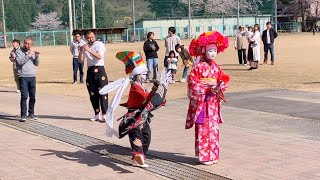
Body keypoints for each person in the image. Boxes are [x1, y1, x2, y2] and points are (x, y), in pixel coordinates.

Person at [99, 51, 167, 168]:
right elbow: (145, 99)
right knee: (136, 135)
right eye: (144, 74)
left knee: (146, 135)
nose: (146, 76)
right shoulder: (135, 86)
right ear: (137, 75)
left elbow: (146, 100)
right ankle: (138, 155)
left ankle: (139, 156)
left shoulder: (140, 85)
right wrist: (155, 91)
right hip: (134, 117)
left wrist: (154, 90)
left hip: (142, 117)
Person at [186, 31, 230, 165]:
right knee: (204, 128)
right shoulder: (198, 67)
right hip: (203, 102)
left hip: (213, 103)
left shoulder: (216, 67)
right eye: (210, 50)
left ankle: (213, 154)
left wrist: (221, 85)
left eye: (215, 50)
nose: (213, 53)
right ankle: (204, 156)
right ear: (204, 50)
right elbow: (193, 83)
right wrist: (206, 89)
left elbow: (223, 79)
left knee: (214, 128)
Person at [78, 30, 108, 122]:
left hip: (100, 70)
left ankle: (104, 114)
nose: (90, 39)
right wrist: (80, 51)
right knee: (92, 93)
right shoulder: (85, 46)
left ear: (94, 36)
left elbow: (99, 56)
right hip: (90, 70)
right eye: (88, 38)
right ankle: (96, 114)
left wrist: (88, 50)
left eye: (92, 37)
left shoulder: (99, 44)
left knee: (103, 92)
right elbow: (80, 61)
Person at [15, 37, 40, 122]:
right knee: (24, 96)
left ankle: (31, 113)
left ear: (31, 45)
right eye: (25, 43)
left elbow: (36, 64)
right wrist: (28, 55)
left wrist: (36, 56)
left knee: (32, 97)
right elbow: (20, 62)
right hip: (23, 76)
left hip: (32, 76)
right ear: (23, 43)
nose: (27, 45)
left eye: (29, 44)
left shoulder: (32, 52)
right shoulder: (19, 51)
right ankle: (23, 115)